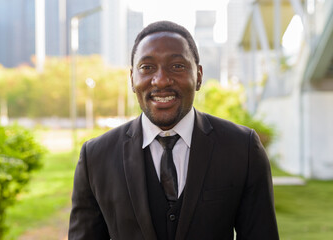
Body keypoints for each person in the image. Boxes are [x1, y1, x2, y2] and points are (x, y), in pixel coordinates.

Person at [68, 21, 279, 240]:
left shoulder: (243, 149)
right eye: (147, 67)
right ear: (132, 79)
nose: (161, 81)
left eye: (177, 66)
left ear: (198, 76)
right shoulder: (95, 157)